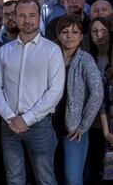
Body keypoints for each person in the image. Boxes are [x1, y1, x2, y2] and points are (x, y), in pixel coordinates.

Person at [0, 0, 65, 185]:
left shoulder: (52, 50)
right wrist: (10, 117)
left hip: (40, 125)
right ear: (15, 17)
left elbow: (55, 91)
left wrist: (27, 118)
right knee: (14, 178)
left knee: (45, 178)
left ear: (39, 17)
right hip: (9, 125)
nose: (28, 20)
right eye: (22, 15)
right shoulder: (5, 51)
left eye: (32, 15)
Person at [52, 15, 104, 185]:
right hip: (48, 127)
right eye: (65, 32)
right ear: (58, 35)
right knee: (50, 176)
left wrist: (83, 126)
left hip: (74, 131)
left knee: (72, 178)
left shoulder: (85, 60)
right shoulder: (50, 57)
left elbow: (97, 92)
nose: (70, 36)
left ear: (81, 36)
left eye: (75, 32)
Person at [85, 17, 113, 184]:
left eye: (103, 30)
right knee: (95, 167)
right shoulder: (89, 58)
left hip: (109, 119)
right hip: (94, 122)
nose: (99, 34)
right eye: (95, 31)